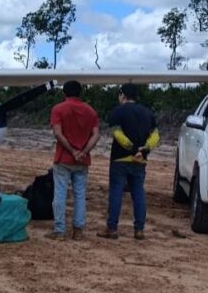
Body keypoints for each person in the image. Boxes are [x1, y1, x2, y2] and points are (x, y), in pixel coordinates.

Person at [98, 83, 159, 240]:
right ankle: (139, 230)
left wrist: (132, 149)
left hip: (120, 159)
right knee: (138, 193)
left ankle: (112, 229)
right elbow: (155, 137)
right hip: (140, 161)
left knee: (116, 193)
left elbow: (117, 134)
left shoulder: (118, 111)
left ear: (122, 95)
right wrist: (143, 150)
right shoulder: (148, 113)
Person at [46, 80, 100, 241]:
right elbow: (96, 135)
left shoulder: (58, 109)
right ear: (80, 93)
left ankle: (60, 230)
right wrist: (83, 152)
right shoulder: (91, 111)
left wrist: (72, 151)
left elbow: (58, 133)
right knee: (80, 195)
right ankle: (78, 230)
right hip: (82, 161)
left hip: (64, 158)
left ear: (64, 93)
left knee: (60, 194)